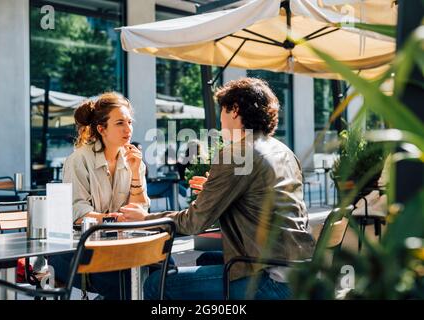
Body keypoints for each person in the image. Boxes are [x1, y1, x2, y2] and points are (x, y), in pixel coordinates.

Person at [120, 77, 316, 300]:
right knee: (206, 259)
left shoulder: (237, 153)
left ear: (234, 109)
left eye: (222, 110)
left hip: (269, 280)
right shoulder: (283, 151)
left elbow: (194, 222)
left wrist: (145, 219)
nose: (220, 120)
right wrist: (217, 191)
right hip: (300, 273)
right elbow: (262, 197)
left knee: (156, 284)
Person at [48, 92, 149, 300]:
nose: (128, 129)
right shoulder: (78, 161)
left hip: (115, 248)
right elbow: (78, 214)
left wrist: (137, 174)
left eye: (130, 122)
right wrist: (116, 219)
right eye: (120, 123)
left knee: (162, 269)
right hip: (73, 252)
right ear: (101, 129)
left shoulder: (132, 161)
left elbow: (140, 211)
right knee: (129, 283)